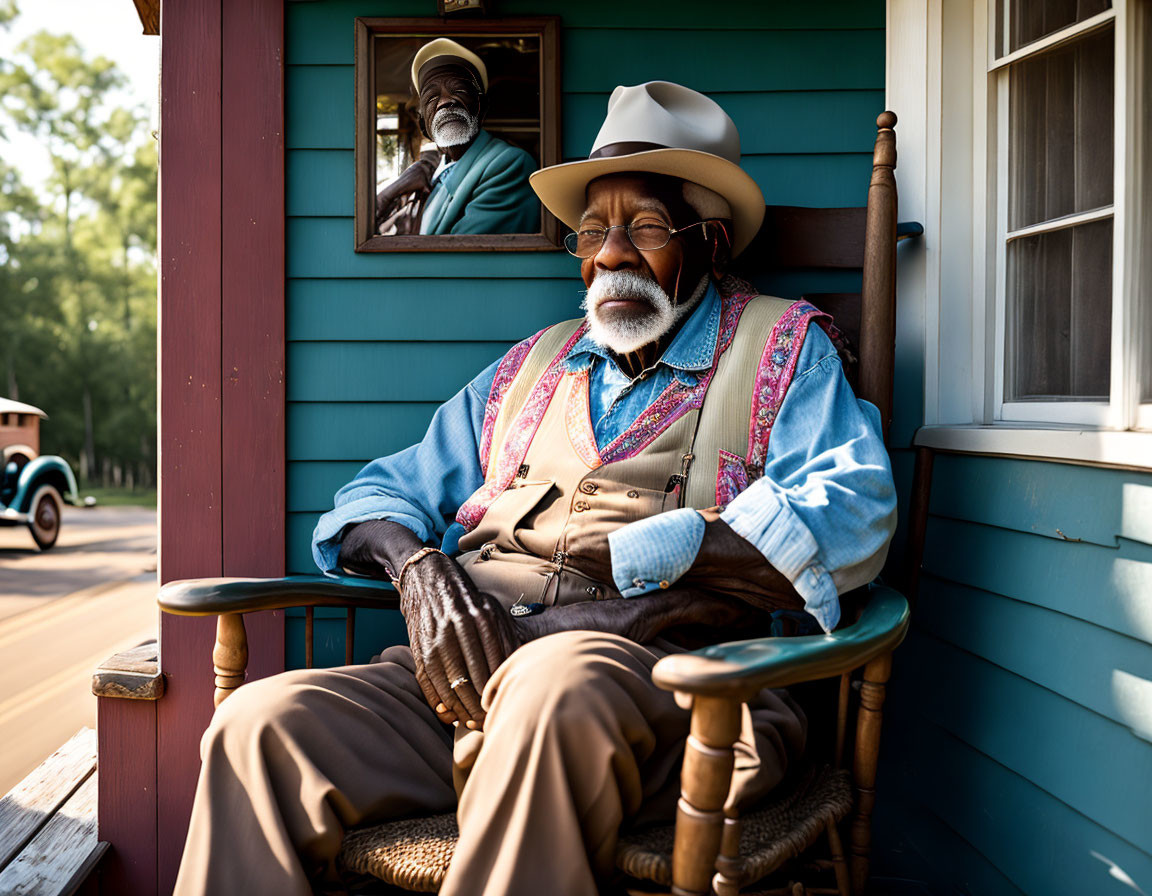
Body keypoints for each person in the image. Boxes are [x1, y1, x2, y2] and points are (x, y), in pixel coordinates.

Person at [174, 81, 897, 896]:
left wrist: (667, 556)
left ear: (714, 244)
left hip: (682, 706)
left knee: (551, 690)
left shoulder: (782, 346)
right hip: (469, 682)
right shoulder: (532, 366)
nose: (611, 255)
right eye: (592, 231)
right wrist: (421, 574)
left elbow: (856, 510)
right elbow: (374, 495)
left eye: (647, 227)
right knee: (259, 729)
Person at [375, 38, 539, 235]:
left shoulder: (509, 164)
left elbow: (459, 258)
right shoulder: (433, 172)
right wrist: (388, 193)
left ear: (482, 108)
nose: (446, 101)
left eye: (459, 91)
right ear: (423, 125)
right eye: (432, 97)